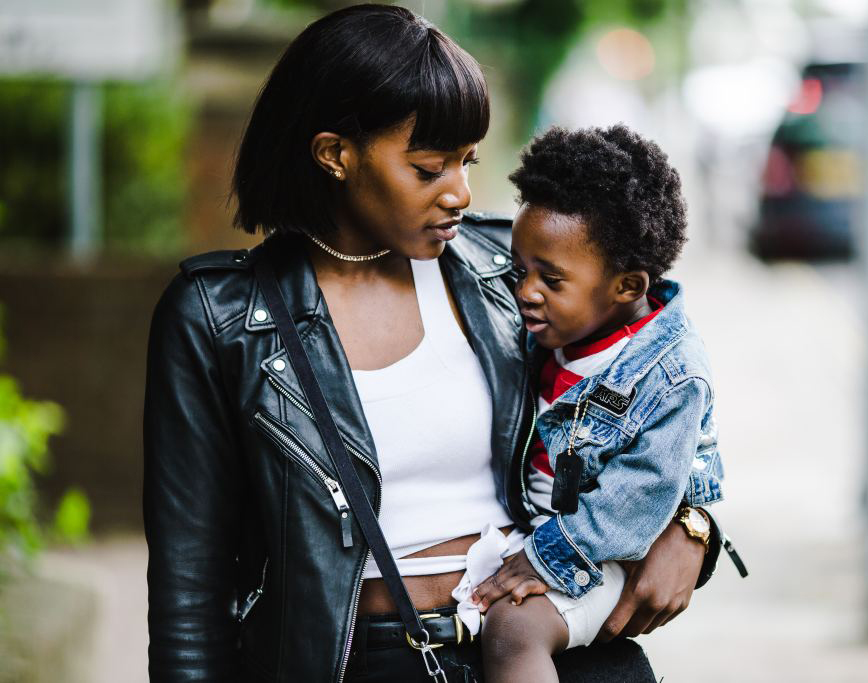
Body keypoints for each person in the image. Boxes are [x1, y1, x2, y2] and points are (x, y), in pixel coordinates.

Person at [143, 6, 721, 682]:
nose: (460, 192)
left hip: (551, 646)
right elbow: (190, 586)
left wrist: (695, 522)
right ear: (335, 154)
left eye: (466, 162)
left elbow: (657, 376)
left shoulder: (507, 269)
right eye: (428, 168)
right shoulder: (220, 318)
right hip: (365, 660)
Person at [464, 125, 726, 682]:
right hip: (539, 530)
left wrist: (542, 557)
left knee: (514, 632)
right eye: (520, 271)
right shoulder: (559, 329)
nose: (525, 292)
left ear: (627, 286)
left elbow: (641, 497)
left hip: (595, 549)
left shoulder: (669, 375)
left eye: (551, 280)